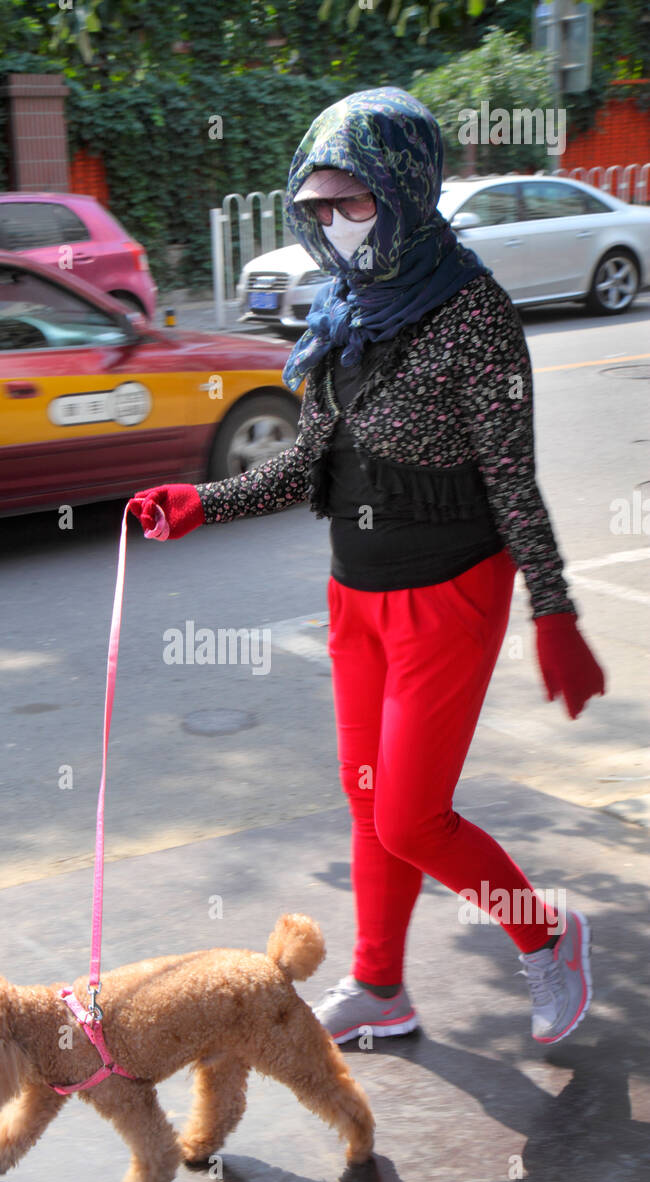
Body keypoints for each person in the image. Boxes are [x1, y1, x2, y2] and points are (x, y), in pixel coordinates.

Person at [128, 88, 605, 1048]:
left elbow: (514, 481)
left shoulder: (475, 316)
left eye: (354, 203)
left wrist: (555, 613)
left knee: (413, 816)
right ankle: (381, 986)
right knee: (368, 799)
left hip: (453, 590)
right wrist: (202, 504)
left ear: (405, 189)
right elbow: (310, 464)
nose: (335, 227)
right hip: (356, 593)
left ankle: (548, 936)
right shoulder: (346, 309)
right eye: (317, 208)